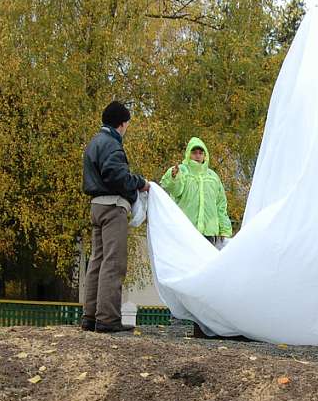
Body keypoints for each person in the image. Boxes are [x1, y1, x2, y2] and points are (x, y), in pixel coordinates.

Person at [81, 101, 149, 333]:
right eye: (127, 124)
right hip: (112, 207)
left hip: (96, 206)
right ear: (121, 124)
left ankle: (90, 316)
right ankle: (108, 318)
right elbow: (117, 177)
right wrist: (140, 183)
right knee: (114, 262)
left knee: (97, 262)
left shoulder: (94, 143)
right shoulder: (112, 145)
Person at [159, 137, 234, 247]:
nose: (197, 156)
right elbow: (175, 190)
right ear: (189, 154)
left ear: (205, 155)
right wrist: (174, 176)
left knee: (207, 263)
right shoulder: (183, 171)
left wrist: (225, 230)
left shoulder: (213, 177)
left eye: (200, 153)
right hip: (186, 230)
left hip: (209, 233)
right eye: (194, 153)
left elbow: (221, 206)